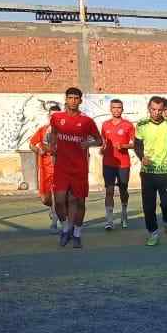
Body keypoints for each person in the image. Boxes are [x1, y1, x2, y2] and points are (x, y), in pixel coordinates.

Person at [47, 87, 102, 249]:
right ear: (66, 99)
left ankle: (77, 234)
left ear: (80, 101)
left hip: (79, 168)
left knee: (79, 202)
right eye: (70, 97)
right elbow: (54, 133)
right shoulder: (57, 118)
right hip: (61, 167)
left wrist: (89, 143)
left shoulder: (87, 121)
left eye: (76, 98)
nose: (73, 101)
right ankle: (65, 228)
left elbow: (99, 140)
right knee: (59, 201)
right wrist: (52, 145)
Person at [134, 96, 167, 246]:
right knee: (149, 206)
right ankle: (153, 233)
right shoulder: (141, 125)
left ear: (163, 110)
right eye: (153, 109)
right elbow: (137, 145)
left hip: (166, 172)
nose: (156, 112)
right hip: (148, 172)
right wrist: (142, 157)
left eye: (159, 110)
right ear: (149, 108)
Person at [100, 98, 135, 230]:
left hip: (123, 163)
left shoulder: (128, 125)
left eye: (119, 107)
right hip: (108, 163)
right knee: (109, 190)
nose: (116, 110)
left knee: (123, 190)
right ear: (110, 109)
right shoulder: (105, 125)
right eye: (114, 107)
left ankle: (124, 213)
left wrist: (123, 145)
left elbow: (135, 143)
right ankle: (109, 220)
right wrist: (102, 148)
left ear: (122, 109)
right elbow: (103, 142)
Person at [28, 101, 62, 230]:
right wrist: (38, 150)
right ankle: (52, 209)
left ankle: (56, 220)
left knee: (56, 194)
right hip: (45, 168)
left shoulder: (64, 132)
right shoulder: (42, 130)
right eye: (52, 115)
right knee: (45, 199)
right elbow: (31, 144)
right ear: (49, 116)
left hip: (60, 167)